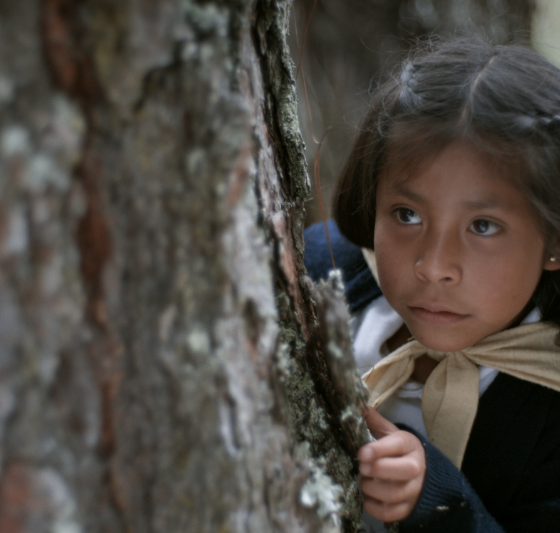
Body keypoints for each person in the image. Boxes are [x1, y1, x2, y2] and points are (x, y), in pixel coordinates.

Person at [304, 37, 560, 532]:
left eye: (483, 226)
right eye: (407, 214)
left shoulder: (548, 414)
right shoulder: (319, 272)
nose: (434, 265)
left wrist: (437, 499)